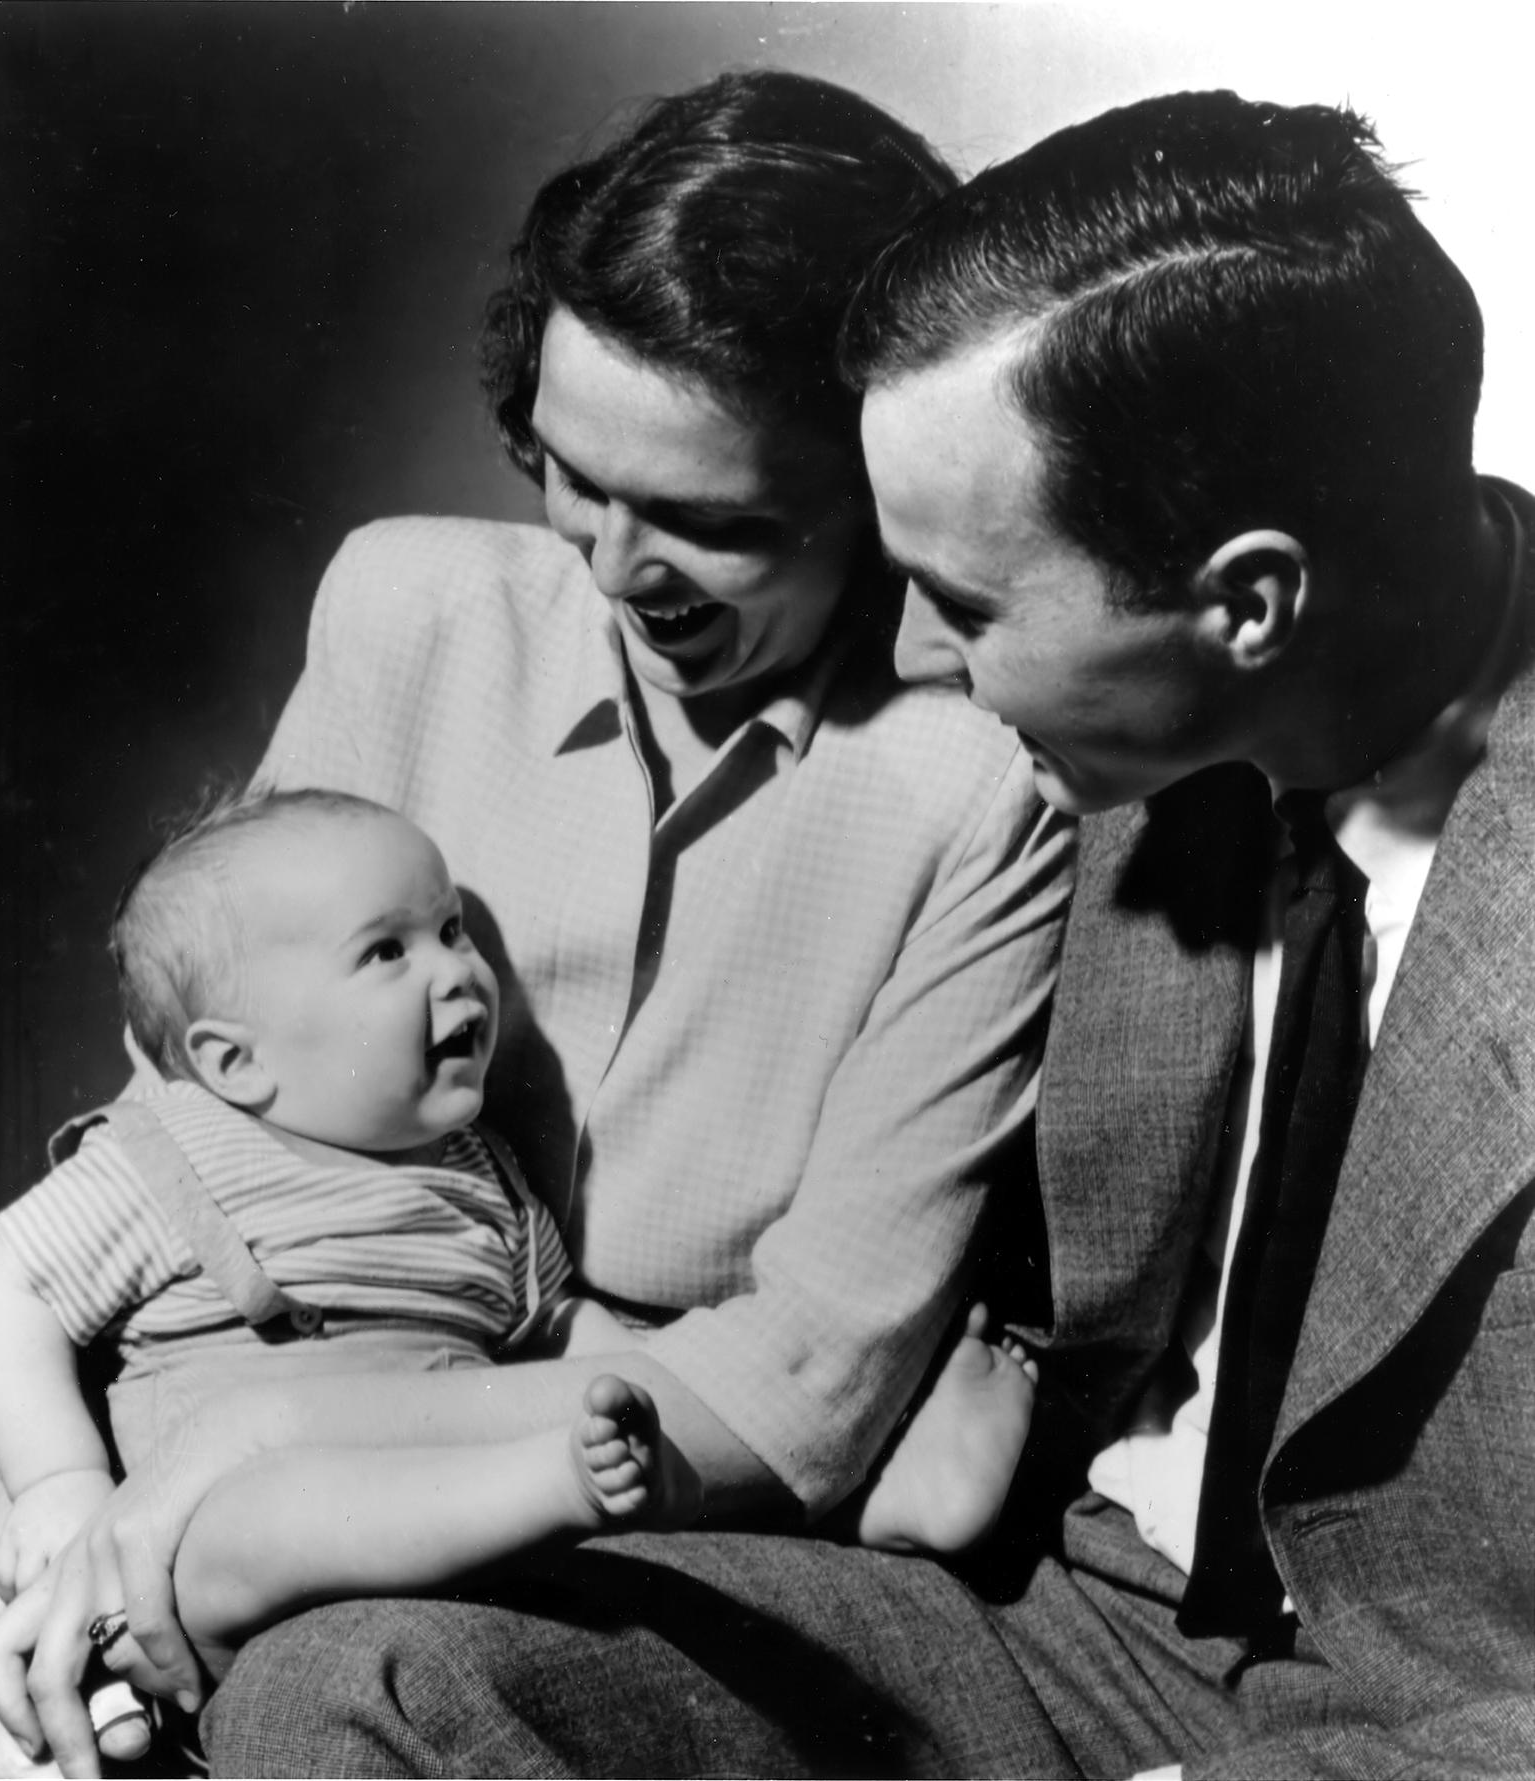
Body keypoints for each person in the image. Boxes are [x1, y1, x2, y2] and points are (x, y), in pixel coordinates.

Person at [180, 88, 1535, 1776]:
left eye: (966, 607)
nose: (905, 667)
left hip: (1446, 1721)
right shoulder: (1149, 743)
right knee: (354, 1686)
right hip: (1075, 1622)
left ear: (1249, 601)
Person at [0, 70, 1071, 1776]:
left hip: (637, 1503)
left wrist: (253, 1451)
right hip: (196, 1426)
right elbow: (194, 1103)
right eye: (567, 474)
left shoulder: (980, 783)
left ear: (884, 476)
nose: (621, 570)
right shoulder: (409, 607)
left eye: (716, 520)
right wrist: (60, 1507)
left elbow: (806, 1394)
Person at [0, 787, 702, 1727]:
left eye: (451, 927)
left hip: (411, 1524)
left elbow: (551, 1324)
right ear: (236, 1065)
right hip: (204, 1538)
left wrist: (638, 1386)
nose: (458, 972)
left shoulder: (485, 1175)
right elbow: (6, 1289)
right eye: (387, 950)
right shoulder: (177, 1150)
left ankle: (559, 1484)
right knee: (263, 1513)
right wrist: (59, 1479)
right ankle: (552, 1487)